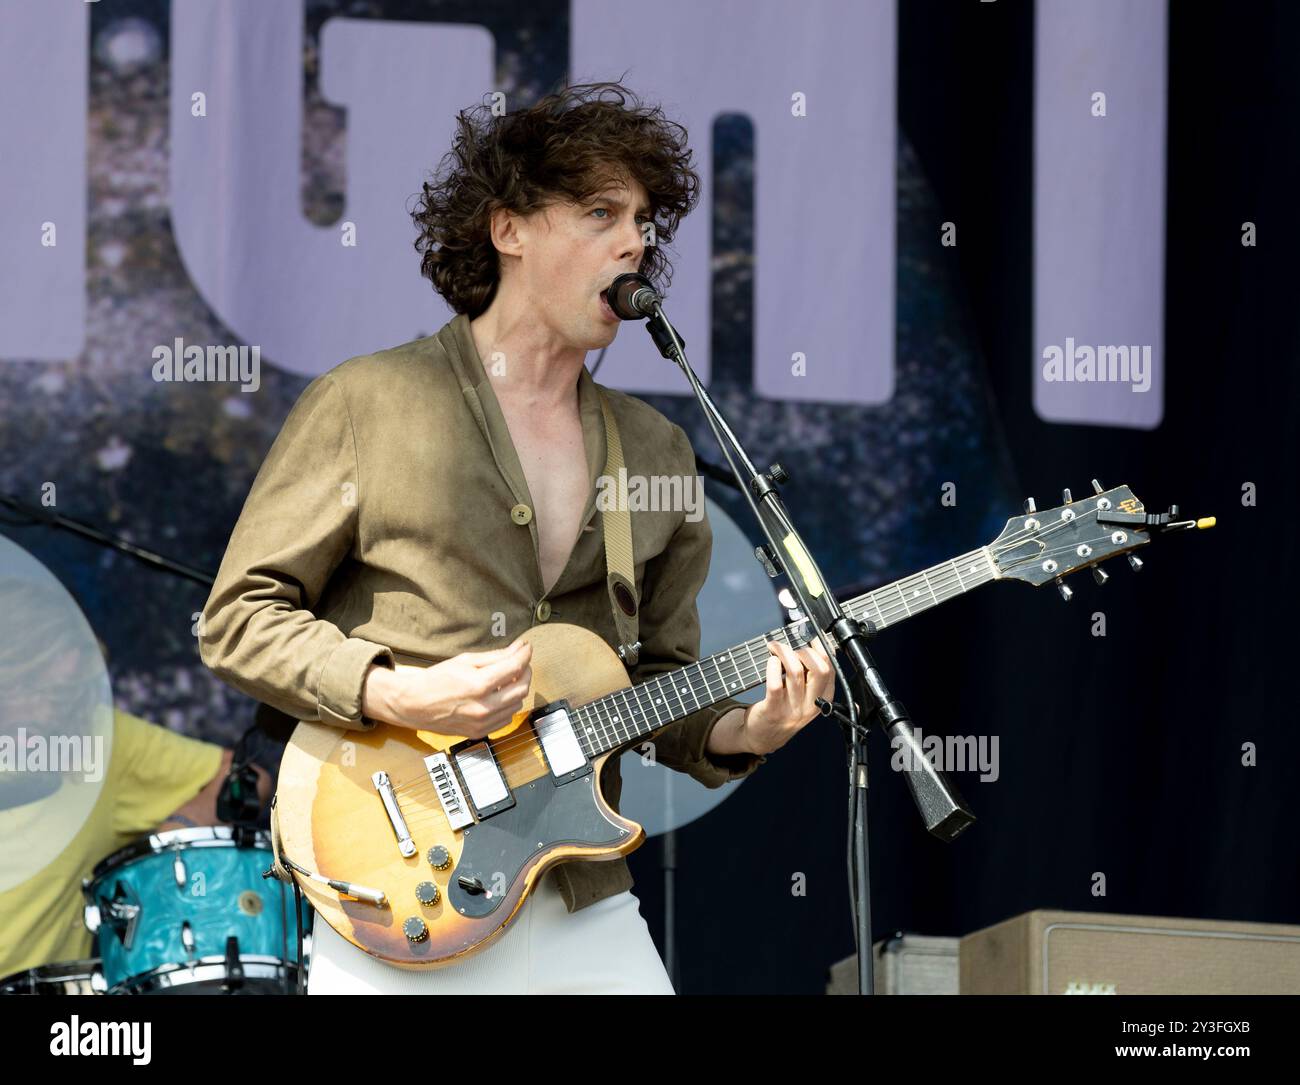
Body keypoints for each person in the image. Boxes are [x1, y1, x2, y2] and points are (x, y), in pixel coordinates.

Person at [198, 80, 834, 995]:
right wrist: (399, 689)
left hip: (581, 892)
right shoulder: (365, 403)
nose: (635, 241)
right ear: (510, 229)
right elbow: (237, 619)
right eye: (600, 212)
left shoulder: (655, 447)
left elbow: (658, 679)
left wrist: (751, 727)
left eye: (646, 220)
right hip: (401, 883)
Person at [0, 578, 272, 979]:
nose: (54, 712)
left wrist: (171, 835)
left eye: (68, 693)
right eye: (36, 689)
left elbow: (246, 777)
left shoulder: (98, 738)